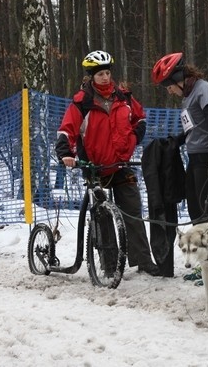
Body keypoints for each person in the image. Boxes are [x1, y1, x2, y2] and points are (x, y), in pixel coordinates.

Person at [56, 50, 161, 276]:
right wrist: (65, 152)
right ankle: (110, 264)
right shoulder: (82, 102)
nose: (105, 77)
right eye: (100, 74)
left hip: (121, 164)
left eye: (107, 73)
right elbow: (66, 130)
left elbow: (140, 118)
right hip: (94, 167)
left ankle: (143, 260)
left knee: (132, 210)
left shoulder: (124, 97)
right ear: (91, 77)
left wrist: (134, 138)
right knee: (101, 214)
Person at [151, 52, 208, 224]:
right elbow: (192, 127)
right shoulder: (187, 97)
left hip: (207, 155)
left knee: (207, 210)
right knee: (194, 206)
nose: (170, 91)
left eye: (169, 87)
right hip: (194, 157)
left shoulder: (202, 89)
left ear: (177, 79)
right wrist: (175, 141)